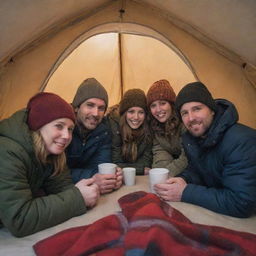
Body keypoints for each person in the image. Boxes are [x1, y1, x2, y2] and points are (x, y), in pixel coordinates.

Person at [0, 92, 99, 237]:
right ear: (38, 126)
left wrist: (81, 193)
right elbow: (20, 219)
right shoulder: (7, 151)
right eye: (59, 126)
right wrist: (78, 198)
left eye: (70, 129)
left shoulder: (52, 152)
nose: (66, 136)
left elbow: (63, 190)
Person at [154, 81, 256, 218]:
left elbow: (240, 203)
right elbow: (198, 170)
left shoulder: (241, 141)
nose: (191, 118)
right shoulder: (195, 138)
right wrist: (183, 179)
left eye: (197, 109)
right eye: (184, 113)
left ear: (212, 110)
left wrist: (185, 192)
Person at [66, 78, 122, 194]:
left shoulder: (103, 131)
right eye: (90, 105)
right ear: (76, 107)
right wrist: (92, 177)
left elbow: (100, 165)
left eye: (101, 108)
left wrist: (110, 178)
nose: (96, 114)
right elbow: (54, 173)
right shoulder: (63, 128)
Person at [146, 79, 187, 176]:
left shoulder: (185, 122)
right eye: (153, 105)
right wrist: (158, 173)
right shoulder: (154, 125)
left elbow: (188, 155)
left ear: (172, 105)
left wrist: (166, 174)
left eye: (163, 103)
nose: (158, 110)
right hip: (174, 171)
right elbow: (160, 151)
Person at [107, 88, 152, 175]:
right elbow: (116, 163)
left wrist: (141, 168)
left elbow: (146, 162)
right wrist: (141, 170)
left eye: (141, 112)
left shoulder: (148, 127)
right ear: (124, 113)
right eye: (131, 112)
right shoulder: (114, 126)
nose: (136, 117)